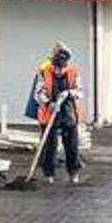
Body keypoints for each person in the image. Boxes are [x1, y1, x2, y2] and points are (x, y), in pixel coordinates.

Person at [31, 43, 83, 185]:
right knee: (50, 146)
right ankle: (49, 174)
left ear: (66, 65)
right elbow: (38, 93)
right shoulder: (44, 72)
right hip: (50, 113)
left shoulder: (73, 72)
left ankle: (73, 173)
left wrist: (68, 93)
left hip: (68, 111)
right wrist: (49, 103)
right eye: (56, 68)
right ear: (53, 64)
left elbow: (80, 92)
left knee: (71, 145)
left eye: (61, 68)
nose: (59, 71)